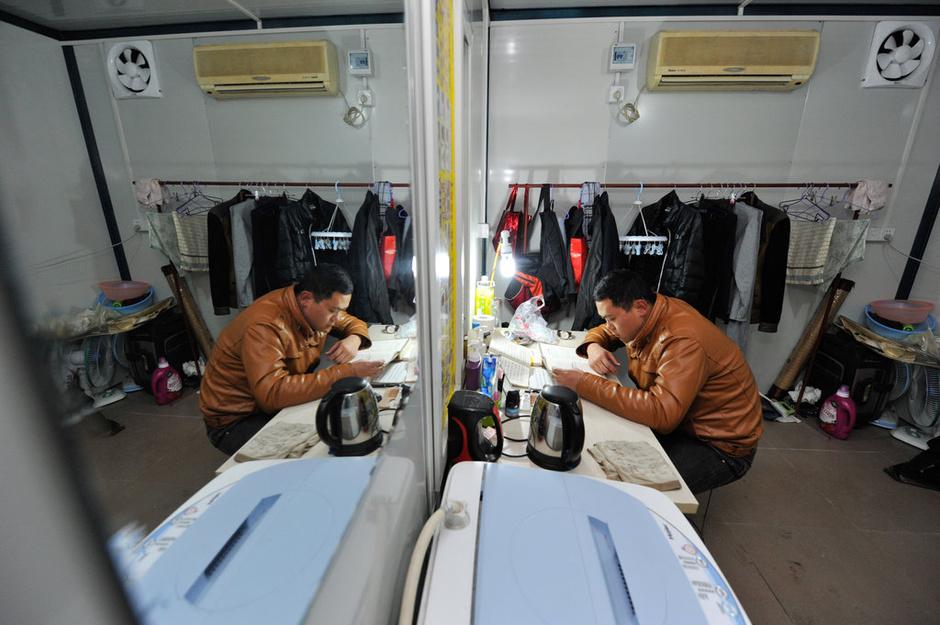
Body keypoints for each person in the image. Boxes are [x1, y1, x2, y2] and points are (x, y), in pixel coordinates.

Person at [552, 269, 762, 493]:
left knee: (630, 491)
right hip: (684, 421)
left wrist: (583, 383)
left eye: (611, 318)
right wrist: (593, 346)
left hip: (720, 446)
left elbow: (662, 413)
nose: (608, 325)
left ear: (641, 307)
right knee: (601, 447)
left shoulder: (682, 340)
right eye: (606, 319)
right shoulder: (650, 312)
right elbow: (604, 331)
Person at [200, 264, 383, 454]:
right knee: (324, 446)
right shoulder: (265, 326)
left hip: (270, 405)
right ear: (306, 299)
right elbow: (272, 394)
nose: (337, 319)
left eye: (340, 311)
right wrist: (346, 373)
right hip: (236, 420)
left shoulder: (311, 306)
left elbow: (351, 322)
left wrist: (355, 338)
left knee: (342, 425)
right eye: (333, 311)